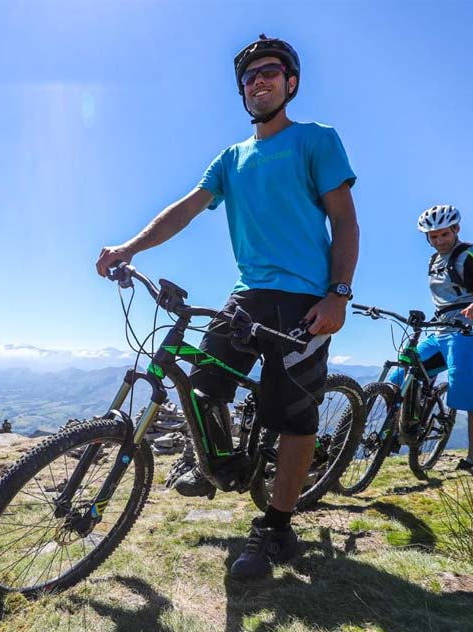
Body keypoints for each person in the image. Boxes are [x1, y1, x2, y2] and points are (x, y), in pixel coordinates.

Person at [95, 34, 359, 579]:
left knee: (292, 413)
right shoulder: (231, 158)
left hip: (306, 298)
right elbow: (185, 210)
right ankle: (221, 464)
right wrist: (128, 247)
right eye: (248, 77)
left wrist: (338, 294)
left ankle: (277, 529)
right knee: (204, 382)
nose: (258, 82)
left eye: (269, 72)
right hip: (247, 294)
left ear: (291, 83)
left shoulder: (315, 140)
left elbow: (345, 221)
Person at [388, 204, 473, 474]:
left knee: (470, 397)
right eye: (433, 237)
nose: (438, 241)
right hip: (442, 330)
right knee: (401, 377)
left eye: (444, 234)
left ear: (456, 229)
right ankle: (409, 425)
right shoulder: (434, 261)